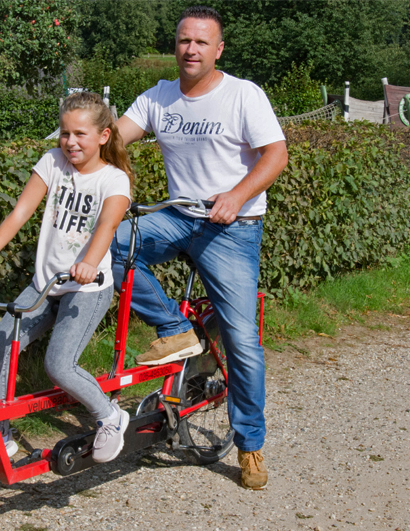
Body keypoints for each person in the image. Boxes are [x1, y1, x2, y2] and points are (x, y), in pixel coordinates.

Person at [112, 6, 288, 490]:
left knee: (243, 341)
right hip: (178, 216)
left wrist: (237, 195)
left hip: (232, 227)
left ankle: (250, 445)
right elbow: (114, 138)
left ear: (218, 50)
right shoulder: (159, 98)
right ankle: (177, 328)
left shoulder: (243, 95)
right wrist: (69, 145)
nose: (190, 50)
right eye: (183, 41)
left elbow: (277, 154)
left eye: (201, 43)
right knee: (106, 245)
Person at [0, 91, 133, 477]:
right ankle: (0, 437)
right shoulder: (53, 162)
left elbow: (106, 227)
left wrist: (89, 263)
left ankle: (109, 416)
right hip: (45, 284)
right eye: (64, 133)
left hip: (87, 289)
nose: (69, 142)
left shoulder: (114, 180)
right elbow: (21, 211)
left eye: (80, 134)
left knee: (59, 365)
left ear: (104, 136)